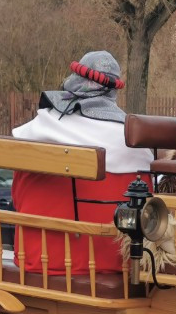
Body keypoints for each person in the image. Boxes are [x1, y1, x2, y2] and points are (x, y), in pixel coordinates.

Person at [11, 51, 153, 274]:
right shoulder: (135, 141)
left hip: (40, 260)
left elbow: (18, 196)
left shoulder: (43, 126)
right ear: (114, 89)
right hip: (120, 263)